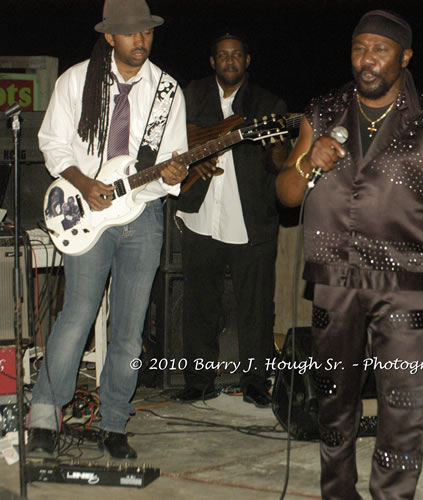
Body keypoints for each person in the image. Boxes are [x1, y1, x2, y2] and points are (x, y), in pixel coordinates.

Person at [276, 10, 423, 499]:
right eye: (359, 48)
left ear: (404, 57)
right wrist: (307, 162)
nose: (367, 60)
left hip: (407, 286)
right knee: (333, 406)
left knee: (403, 411)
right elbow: (286, 196)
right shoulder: (323, 112)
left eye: (380, 50)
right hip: (334, 281)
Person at [29, 0, 188, 459]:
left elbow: (171, 160)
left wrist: (174, 173)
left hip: (143, 215)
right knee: (77, 314)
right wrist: (84, 184)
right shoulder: (76, 81)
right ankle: (44, 416)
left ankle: (115, 422)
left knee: (129, 329)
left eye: (147, 31)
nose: (141, 39)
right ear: (110, 37)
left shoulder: (166, 91)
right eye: (131, 32)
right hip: (86, 213)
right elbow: (52, 144)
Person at [172, 30, 288, 405]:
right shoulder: (190, 97)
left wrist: (278, 146)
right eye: (222, 55)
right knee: (199, 304)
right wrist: (191, 163)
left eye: (236, 54)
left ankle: (255, 382)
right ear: (212, 61)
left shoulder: (268, 103)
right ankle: (198, 381)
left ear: (247, 60)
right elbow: (170, 144)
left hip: (249, 221)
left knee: (255, 307)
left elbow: (280, 164)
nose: (230, 61)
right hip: (201, 216)